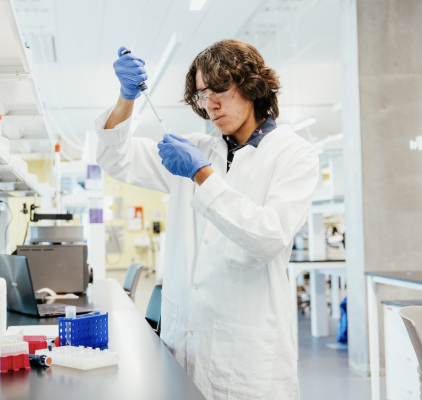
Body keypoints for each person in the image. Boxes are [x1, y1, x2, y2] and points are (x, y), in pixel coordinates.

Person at [95, 39, 319, 399]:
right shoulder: (198, 148)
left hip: (246, 363)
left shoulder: (294, 155)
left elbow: (268, 238)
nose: (210, 104)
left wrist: (202, 174)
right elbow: (117, 158)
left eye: (219, 90)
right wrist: (127, 97)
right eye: (201, 94)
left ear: (252, 86)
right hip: (182, 348)